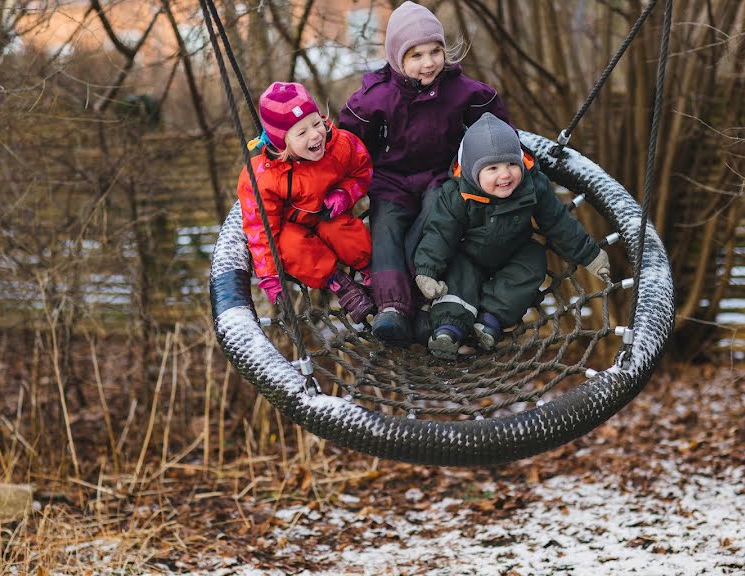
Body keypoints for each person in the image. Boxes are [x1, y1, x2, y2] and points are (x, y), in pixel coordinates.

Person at [339, 1, 509, 345]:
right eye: (416, 55)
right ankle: (392, 308)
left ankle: (417, 303)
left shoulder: (463, 91)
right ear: (396, 59)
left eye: (435, 51)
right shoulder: (376, 98)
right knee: (385, 227)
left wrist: (505, 154)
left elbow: (493, 125)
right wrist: (340, 177)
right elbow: (350, 141)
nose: (428, 62)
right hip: (390, 179)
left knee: (438, 217)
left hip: (439, 176)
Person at [413, 113, 611, 357]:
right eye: (493, 168)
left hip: (514, 250)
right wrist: (427, 271)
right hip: (469, 252)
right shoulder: (457, 194)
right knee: (459, 274)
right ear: (473, 172)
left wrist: (590, 255)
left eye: (512, 164)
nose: (505, 175)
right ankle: (448, 329)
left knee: (533, 259)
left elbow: (558, 222)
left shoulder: (533, 185)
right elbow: (440, 232)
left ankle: (490, 320)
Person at [238, 82, 376, 323]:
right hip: (290, 226)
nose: (315, 134)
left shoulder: (341, 145)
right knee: (290, 245)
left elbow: (362, 170)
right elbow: (260, 228)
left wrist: (345, 193)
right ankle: (341, 285)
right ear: (282, 143)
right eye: (301, 133)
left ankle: (372, 273)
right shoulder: (263, 176)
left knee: (342, 230)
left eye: (316, 123)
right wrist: (269, 275)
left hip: (326, 213)